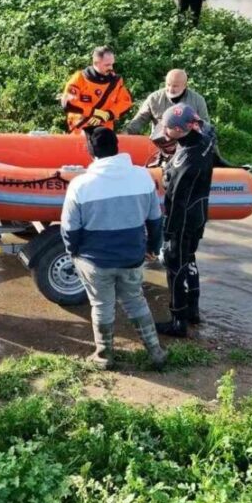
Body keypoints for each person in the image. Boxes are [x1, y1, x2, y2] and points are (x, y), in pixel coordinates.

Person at [60, 128, 167, 370]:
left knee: (101, 305)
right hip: (132, 257)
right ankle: (156, 352)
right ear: (118, 146)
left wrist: (73, 251)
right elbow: (155, 220)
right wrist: (152, 247)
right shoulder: (142, 177)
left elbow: (69, 228)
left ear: (90, 151)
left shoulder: (80, 184)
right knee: (136, 301)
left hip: (95, 261)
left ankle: (104, 356)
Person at [154, 103, 216, 338]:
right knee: (190, 259)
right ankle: (193, 311)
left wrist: (167, 234)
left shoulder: (183, 163)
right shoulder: (207, 135)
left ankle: (178, 320)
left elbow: (175, 200)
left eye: (168, 128)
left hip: (183, 219)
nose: (165, 131)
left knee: (175, 264)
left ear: (180, 130)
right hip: (200, 211)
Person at [60, 46, 134, 134]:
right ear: (96, 63)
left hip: (104, 133)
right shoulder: (80, 78)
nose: (111, 68)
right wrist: (94, 112)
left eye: (112, 64)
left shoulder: (115, 81)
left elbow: (125, 103)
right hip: (79, 130)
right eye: (107, 65)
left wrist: (108, 114)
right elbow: (68, 103)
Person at [124, 69, 210, 138]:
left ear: (184, 85)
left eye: (175, 86)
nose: (170, 89)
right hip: (160, 144)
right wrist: (124, 135)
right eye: (168, 85)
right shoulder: (154, 98)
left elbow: (205, 127)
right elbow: (139, 120)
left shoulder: (198, 100)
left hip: (188, 145)